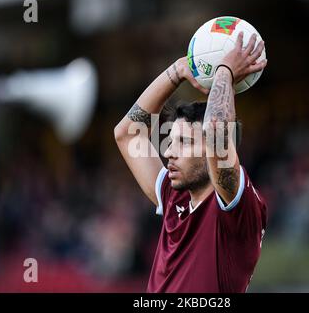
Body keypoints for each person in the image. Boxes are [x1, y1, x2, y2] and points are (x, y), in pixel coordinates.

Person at [114, 32, 268, 292]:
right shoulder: (175, 197)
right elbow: (127, 133)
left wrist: (224, 71)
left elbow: (217, 129)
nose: (170, 152)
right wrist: (177, 71)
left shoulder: (237, 208)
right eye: (170, 142)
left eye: (184, 142)